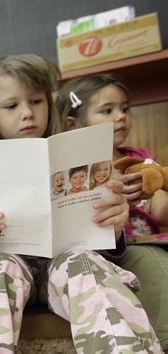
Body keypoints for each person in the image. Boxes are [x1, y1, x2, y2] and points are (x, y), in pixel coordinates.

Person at [0, 54, 161, 353]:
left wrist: (115, 225)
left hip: (66, 267)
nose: (27, 114)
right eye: (11, 106)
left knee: (83, 262)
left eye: (36, 101)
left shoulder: (79, 157)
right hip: (11, 266)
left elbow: (105, 242)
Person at [57, 73, 168, 353]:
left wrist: (158, 186)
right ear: (73, 124)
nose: (121, 116)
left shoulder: (140, 160)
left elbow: (162, 212)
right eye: (107, 110)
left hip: (151, 239)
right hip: (114, 250)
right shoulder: (74, 171)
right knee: (154, 262)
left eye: (125, 108)